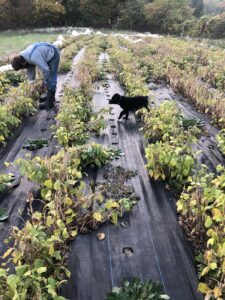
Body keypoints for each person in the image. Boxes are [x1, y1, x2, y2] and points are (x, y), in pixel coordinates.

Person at [11, 42, 60, 110]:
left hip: (53, 54)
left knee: (51, 77)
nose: (24, 69)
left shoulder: (33, 57)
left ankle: (49, 104)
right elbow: (31, 71)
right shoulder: (24, 57)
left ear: (23, 63)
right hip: (45, 53)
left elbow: (46, 70)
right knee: (47, 78)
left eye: (22, 68)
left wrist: (43, 82)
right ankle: (50, 98)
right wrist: (32, 87)